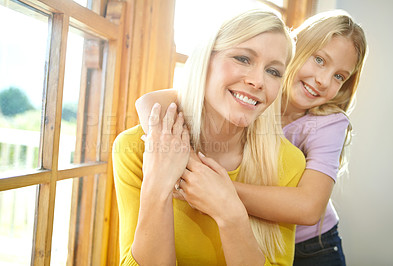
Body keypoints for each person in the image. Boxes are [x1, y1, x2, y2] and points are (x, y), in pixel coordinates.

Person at [135, 9, 368, 266]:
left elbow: (309, 208)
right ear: (292, 51)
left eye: (339, 76)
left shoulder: (328, 124)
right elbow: (150, 102)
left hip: (314, 247)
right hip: (258, 230)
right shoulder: (253, 92)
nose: (324, 80)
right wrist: (183, 160)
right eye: (320, 60)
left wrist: (218, 189)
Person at [113, 9, 306, 266]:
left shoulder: (288, 163)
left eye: (273, 71)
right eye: (243, 58)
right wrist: (157, 187)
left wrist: (231, 214)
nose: (258, 81)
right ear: (205, 61)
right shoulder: (134, 149)